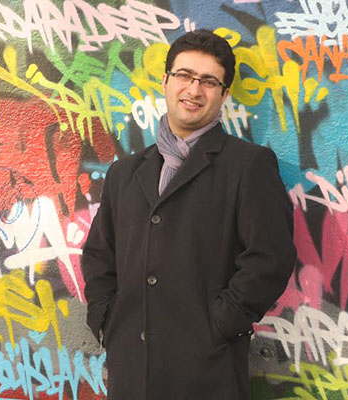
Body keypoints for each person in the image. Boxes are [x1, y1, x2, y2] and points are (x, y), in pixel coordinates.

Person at [81, 29, 296, 399]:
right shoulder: (125, 172)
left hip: (207, 371)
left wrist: (219, 324)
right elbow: (100, 254)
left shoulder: (248, 165)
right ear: (165, 81)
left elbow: (270, 258)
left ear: (224, 94)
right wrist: (105, 318)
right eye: (184, 75)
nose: (194, 90)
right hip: (131, 371)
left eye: (209, 81)